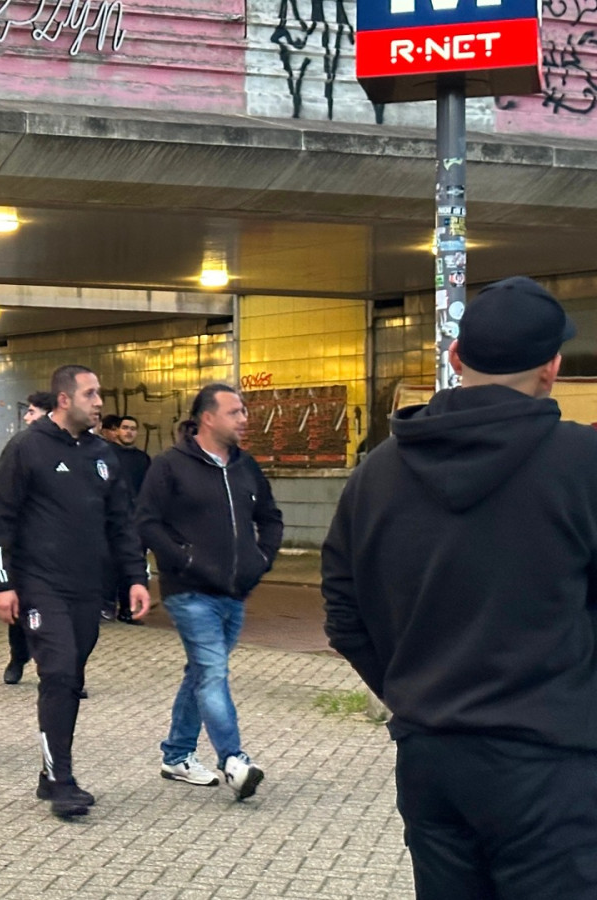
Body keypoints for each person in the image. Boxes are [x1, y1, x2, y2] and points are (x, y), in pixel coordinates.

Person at [323, 277, 597, 899]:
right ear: (552, 368)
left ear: (455, 358)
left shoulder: (377, 473)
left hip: (431, 759)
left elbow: (342, 612)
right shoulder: (581, 465)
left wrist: (410, 689)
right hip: (550, 758)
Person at [0, 364, 149, 819]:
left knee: (70, 679)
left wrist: (136, 577)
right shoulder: (27, 448)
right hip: (39, 585)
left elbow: (122, 525)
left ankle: (49, 771)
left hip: (87, 590)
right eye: (91, 394)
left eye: (99, 395)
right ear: (64, 400)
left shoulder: (103, 454)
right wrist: (3, 585)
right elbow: (0, 522)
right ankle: (61, 780)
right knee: (56, 673)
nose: (99, 403)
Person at [136, 384, 280, 799]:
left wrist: (262, 559)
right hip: (189, 591)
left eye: (244, 411)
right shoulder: (170, 466)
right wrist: (183, 560)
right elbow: (147, 521)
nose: (244, 418)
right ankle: (234, 761)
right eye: (235, 411)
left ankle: (177, 755)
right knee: (213, 672)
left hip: (235, 591)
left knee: (201, 673)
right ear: (208, 418)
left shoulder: (245, 465)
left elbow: (270, 516)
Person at [4, 390, 57, 685]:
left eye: (32, 411)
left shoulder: (75, 448)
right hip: (27, 545)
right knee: (24, 608)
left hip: (63, 548)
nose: (26, 417)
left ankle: (63, 669)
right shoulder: (20, 447)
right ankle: (18, 656)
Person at [108, 414, 156, 625]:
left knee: (133, 564)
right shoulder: (106, 454)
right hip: (111, 519)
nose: (129, 432)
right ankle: (106, 607)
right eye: (125, 428)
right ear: (116, 430)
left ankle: (128, 610)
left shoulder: (142, 459)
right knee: (109, 565)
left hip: (136, 520)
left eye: (133, 428)